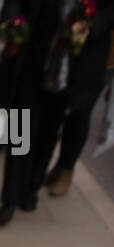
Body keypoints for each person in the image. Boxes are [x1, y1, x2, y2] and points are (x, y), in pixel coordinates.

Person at [0, 0, 109, 224]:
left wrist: (91, 27)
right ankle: (9, 198)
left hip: (72, 67)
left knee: (48, 131)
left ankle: (31, 188)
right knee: (22, 127)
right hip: (33, 55)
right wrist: (15, 22)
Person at [46, 0, 114, 194]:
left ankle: (66, 168)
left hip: (96, 54)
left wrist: (93, 24)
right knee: (56, 108)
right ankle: (49, 165)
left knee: (79, 112)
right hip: (62, 45)